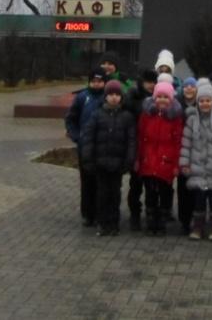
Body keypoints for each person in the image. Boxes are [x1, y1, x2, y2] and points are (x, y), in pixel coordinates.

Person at [80, 79, 136, 236]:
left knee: (115, 194)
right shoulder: (97, 115)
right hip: (101, 163)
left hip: (117, 164)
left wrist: (128, 160)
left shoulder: (127, 117)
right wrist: (88, 159)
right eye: (110, 94)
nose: (114, 97)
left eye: (117, 94)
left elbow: (131, 141)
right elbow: (88, 138)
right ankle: (102, 223)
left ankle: (114, 223)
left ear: (121, 97)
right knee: (102, 194)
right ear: (105, 96)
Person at [180, 79, 212, 240]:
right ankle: (198, 227)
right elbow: (186, 143)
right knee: (199, 202)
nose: (205, 104)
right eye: (202, 101)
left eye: (208, 100)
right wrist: (185, 164)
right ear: (197, 102)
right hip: (197, 169)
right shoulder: (191, 121)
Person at [137, 78, 184, 236]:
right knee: (150, 193)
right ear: (154, 98)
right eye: (159, 97)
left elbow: (178, 142)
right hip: (148, 161)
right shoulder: (146, 116)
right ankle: (151, 222)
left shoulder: (175, 118)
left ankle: (162, 222)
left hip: (166, 162)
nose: (162, 100)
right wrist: (138, 159)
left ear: (171, 99)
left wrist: (177, 164)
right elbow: (140, 137)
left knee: (165, 193)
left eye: (165, 97)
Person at [63, 69, 107, 226]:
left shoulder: (108, 97)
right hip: (85, 147)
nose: (97, 84)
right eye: (94, 81)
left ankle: (101, 212)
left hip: (102, 147)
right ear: (89, 82)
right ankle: (88, 214)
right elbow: (71, 119)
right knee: (87, 181)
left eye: (100, 81)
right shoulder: (82, 97)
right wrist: (77, 137)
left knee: (101, 182)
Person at [124, 68, 158, 229]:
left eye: (153, 82)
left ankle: (152, 215)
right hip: (137, 147)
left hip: (153, 148)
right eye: (148, 82)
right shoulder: (132, 98)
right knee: (135, 184)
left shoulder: (159, 98)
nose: (151, 85)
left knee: (152, 185)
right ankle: (135, 215)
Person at [175, 76, 199, 232]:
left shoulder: (203, 104)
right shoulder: (176, 106)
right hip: (182, 152)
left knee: (196, 190)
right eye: (186, 86)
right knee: (183, 189)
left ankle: (196, 220)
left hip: (198, 154)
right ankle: (184, 221)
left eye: (192, 86)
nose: (189, 89)